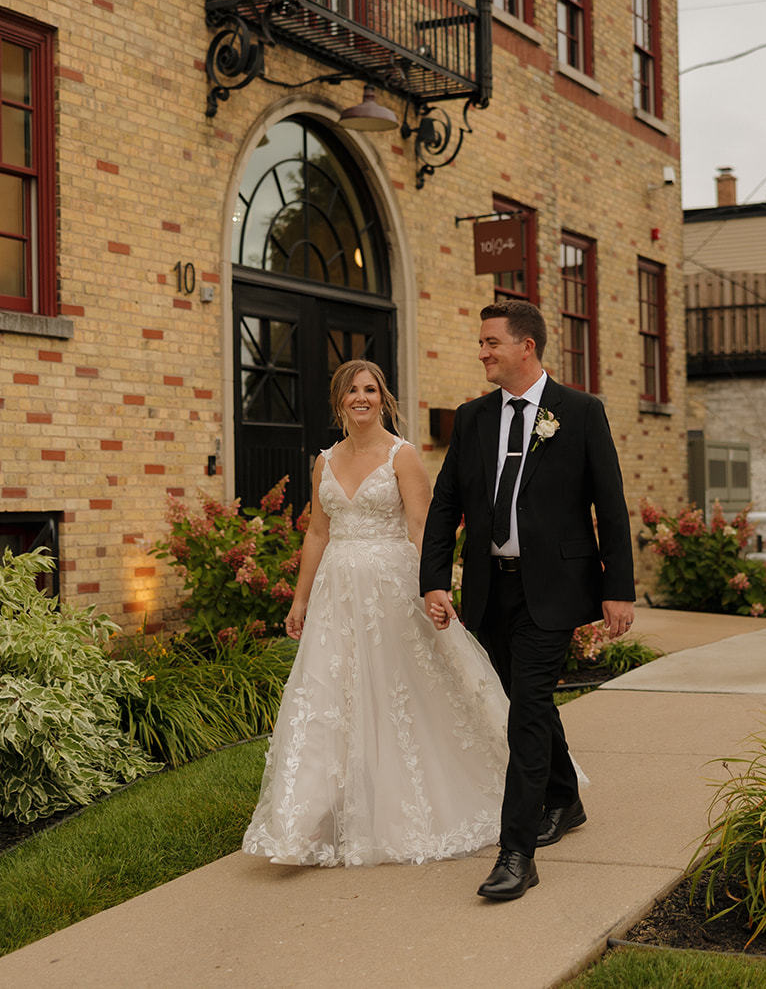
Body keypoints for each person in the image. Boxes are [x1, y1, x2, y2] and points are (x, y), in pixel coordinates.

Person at [242, 360, 513, 866]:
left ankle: (422, 800)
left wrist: (436, 588)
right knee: (328, 697)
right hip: (335, 595)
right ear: (339, 400)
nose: (360, 398)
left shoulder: (402, 456)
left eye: (370, 389)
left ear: (383, 399)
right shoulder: (324, 460)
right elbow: (318, 533)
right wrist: (300, 599)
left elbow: (422, 527)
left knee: (402, 694)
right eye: (351, 390)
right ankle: (306, 823)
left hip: (392, 591)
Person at [419, 299, 635, 901]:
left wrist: (618, 589)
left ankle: (516, 852)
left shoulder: (582, 412)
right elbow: (445, 504)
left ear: (527, 347)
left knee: (526, 711)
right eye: (481, 343)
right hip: (492, 587)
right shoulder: (474, 418)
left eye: (491, 342)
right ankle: (565, 799)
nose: (482, 352)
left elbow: (610, 506)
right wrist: (434, 578)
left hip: (556, 588)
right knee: (527, 701)